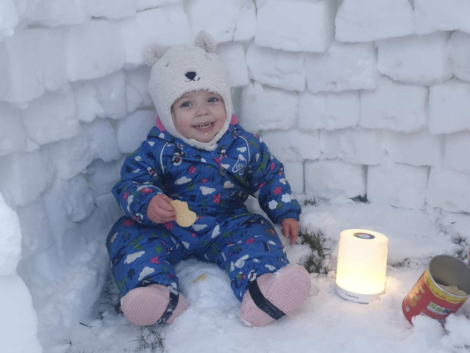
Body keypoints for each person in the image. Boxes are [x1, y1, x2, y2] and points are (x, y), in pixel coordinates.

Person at [106, 32, 311, 328]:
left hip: (227, 223)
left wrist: (286, 211)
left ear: (226, 103)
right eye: (186, 104)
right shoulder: (159, 148)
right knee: (126, 233)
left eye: (212, 99)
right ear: (168, 112)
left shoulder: (243, 144)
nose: (202, 110)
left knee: (255, 231)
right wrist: (148, 201)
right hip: (170, 224)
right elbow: (132, 180)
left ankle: (264, 288)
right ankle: (155, 292)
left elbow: (269, 176)